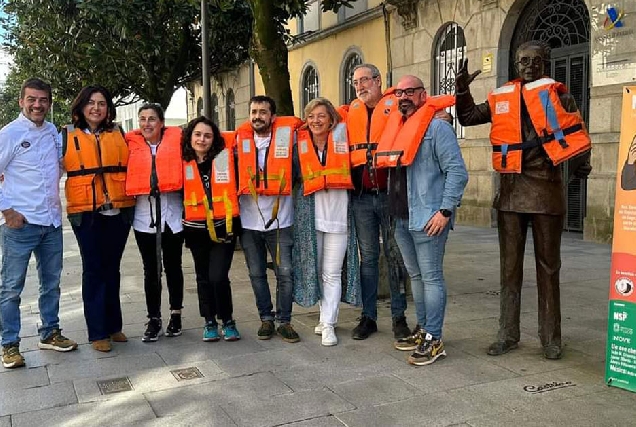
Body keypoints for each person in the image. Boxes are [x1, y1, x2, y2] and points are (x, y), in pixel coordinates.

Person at [455, 40, 592, 359]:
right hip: (511, 192)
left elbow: (579, 136)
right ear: (516, 64)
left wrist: (581, 165)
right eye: (523, 61)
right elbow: (469, 117)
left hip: (546, 191)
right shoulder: (502, 96)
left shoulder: (560, 95)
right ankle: (507, 332)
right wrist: (462, 91)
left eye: (536, 61)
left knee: (548, 267)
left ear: (545, 63)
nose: (529, 66)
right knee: (509, 268)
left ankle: (551, 337)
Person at [375, 75, 468, 366]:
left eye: (410, 92)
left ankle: (435, 339)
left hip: (429, 218)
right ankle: (424, 329)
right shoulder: (397, 128)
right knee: (415, 277)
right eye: (399, 92)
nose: (404, 97)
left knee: (431, 278)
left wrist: (445, 211)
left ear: (423, 95)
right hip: (401, 218)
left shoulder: (437, 128)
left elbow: (457, 172)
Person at [0, 78, 78, 369]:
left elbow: (62, 164)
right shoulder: (9, 134)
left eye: (43, 100)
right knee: (11, 288)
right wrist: (7, 211)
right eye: (31, 99)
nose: (37, 104)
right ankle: (9, 345)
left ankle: (50, 332)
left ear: (49, 103)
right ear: (21, 101)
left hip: (51, 223)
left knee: (51, 284)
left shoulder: (54, 134)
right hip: (19, 225)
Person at [62, 85, 136, 352]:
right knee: (93, 269)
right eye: (91, 103)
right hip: (85, 214)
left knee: (112, 268)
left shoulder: (120, 133)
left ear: (108, 108)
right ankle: (97, 332)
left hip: (118, 211)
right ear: (81, 107)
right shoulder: (66, 136)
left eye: (102, 103)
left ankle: (114, 326)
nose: (96, 108)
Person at [344, 64, 411, 340]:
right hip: (361, 199)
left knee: (395, 257)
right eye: (355, 82)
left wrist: (442, 116)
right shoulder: (350, 113)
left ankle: (399, 317)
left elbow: (422, 114)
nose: (360, 86)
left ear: (378, 80)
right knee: (368, 259)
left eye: (364, 80)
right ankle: (368, 317)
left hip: (390, 195)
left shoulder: (398, 105)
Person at [292, 97, 361, 346]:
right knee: (318, 270)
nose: (315, 121)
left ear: (331, 119)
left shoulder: (346, 138)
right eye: (310, 116)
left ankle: (329, 323)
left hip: (340, 218)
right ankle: (324, 318)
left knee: (332, 273)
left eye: (321, 115)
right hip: (310, 219)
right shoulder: (297, 146)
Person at [236, 95, 303, 342]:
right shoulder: (237, 144)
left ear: (272, 117)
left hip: (281, 221)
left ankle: (285, 321)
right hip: (248, 222)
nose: (257, 116)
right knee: (256, 273)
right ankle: (266, 318)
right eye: (254, 111)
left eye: (263, 112)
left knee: (285, 273)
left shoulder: (290, 139)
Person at [125, 103, 185, 342]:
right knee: (151, 270)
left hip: (172, 217)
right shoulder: (130, 146)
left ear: (161, 122)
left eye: (152, 119)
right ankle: (153, 318)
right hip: (144, 219)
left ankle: (176, 314)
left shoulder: (177, 143)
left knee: (173, 267)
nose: (146, 124)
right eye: (142, 119)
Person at [182, 116, 241, 342]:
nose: (202, 139)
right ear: (190, 137)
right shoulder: (182, 161)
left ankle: (227, 319)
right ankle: (209, 321)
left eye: (207, 135)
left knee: (218, 276)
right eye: (197, 134)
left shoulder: (226, 158)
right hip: (195, 229)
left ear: (214, 138)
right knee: (203, 277)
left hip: (223, 225)